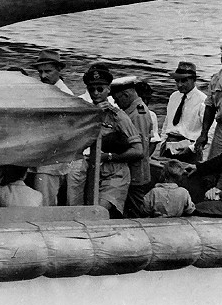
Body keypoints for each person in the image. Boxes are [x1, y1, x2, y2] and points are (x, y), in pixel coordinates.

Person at [83, 64, 144, 218]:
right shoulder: (86, 113)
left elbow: (138, 151)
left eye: (100, 89)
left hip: (114, 174)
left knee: (98, 211)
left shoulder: (119, 117)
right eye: (91, 89)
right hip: (92, 173)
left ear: (108, 89)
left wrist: (109, 156)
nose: (95, 93)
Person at [30, 49, 74, 205]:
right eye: (40, 72)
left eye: (48, 71)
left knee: (45, 203)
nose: (43, 76)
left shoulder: (65, 96)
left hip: (51, 162)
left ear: (59, 70)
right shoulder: (43, 90)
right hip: (41, 159)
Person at [110, 76, 154, 217]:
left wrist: (110, 157)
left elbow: (139, 150)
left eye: (117, 99)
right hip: (132, 171)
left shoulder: (138, 114)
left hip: (136, 173)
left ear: (126, 95)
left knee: (135, 212)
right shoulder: (134, 111)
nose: (116, 103)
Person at [160, 61, 207, 161]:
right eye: (177, 81)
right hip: (169, 145)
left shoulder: (203, 100)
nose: (180, 84)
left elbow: (209, 131)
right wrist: (163, 142)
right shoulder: (174, 97)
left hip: (190, 148)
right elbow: (167, 122)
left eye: (184, 81)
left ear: (194, 80)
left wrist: (192, 148)